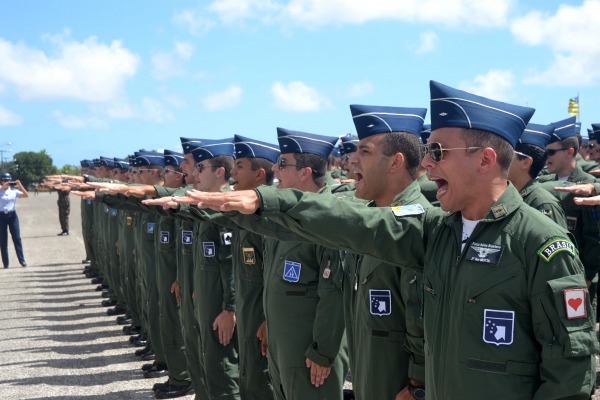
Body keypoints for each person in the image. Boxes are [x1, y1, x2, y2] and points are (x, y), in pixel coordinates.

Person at [189, 81, 598, 399]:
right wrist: (263, 202)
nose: (428, 162)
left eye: (438, 150)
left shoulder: (539, 242)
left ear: (485, 159)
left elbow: (571, 368)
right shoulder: (437, 231)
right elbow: (350, 221)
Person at [507, 122, 567, 227]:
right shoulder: (507, 196)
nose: (499, 159)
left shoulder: (543, 203)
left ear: (526, 162)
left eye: (507, 153)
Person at [0, 173, 28, 268]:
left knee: (17, 238)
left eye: (8, 180)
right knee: (3, 240)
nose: (7, 182)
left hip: (12, 216)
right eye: (4, 180)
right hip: (1, 216)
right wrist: (2, 187)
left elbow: (26, 195)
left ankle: (22, 260)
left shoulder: (13, 191)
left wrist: (20, 185)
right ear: (1, 181)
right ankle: (6, 263)